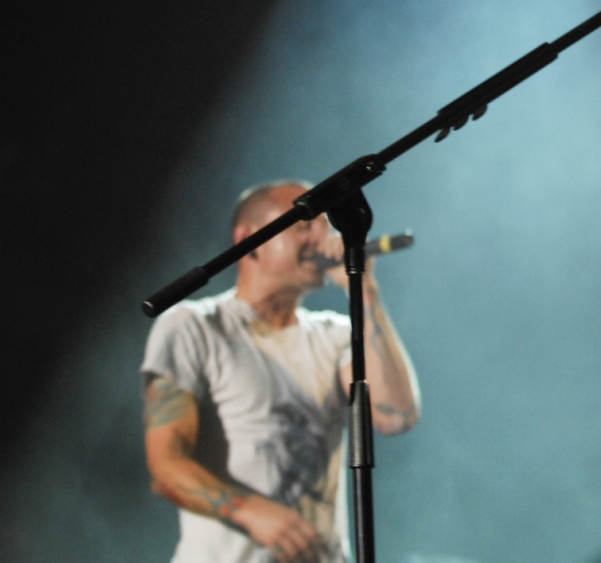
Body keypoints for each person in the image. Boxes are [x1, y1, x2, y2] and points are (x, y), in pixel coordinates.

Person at [142, 180, 420, 563]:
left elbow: (397, 415)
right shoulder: (195, 327)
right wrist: (250, 510)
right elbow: (166, 465)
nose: (323, 238)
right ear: (248, 238)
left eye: (325, 227)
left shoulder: (336, 335)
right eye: (305, 225)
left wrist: (364, 288)